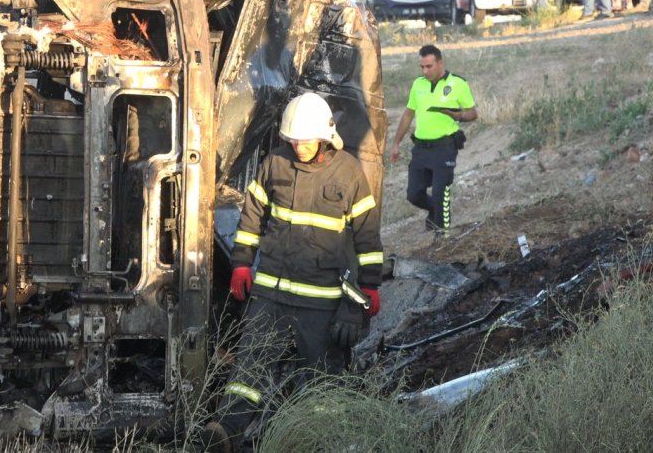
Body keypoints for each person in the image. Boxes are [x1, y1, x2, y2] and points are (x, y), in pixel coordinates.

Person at [202, 93, 384, 453]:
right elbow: (252, 217)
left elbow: (367, 237)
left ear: (325, 135)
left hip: (320, 301)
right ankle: (226, 434)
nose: (299, 147)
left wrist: (369, 289)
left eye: (306, 140)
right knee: (248, 372)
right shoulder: (275, 164)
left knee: (321, 382)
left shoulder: (348, 172)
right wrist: (241, 262)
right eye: (294, 140)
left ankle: (318, 441)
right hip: (270, 295)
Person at [389, 45, 477, 240]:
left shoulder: (458, 84)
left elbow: (473, 113)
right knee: (414, 194)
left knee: (440, 192)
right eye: (422, 67)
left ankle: (442, 238)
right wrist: (396, 143)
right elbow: (408, 114)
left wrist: (459, 115)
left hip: (445, 147)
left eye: (429, 66)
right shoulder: (418, 85)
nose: (425, 71)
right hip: (421, 148)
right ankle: (435, 213)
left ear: (440, 63)